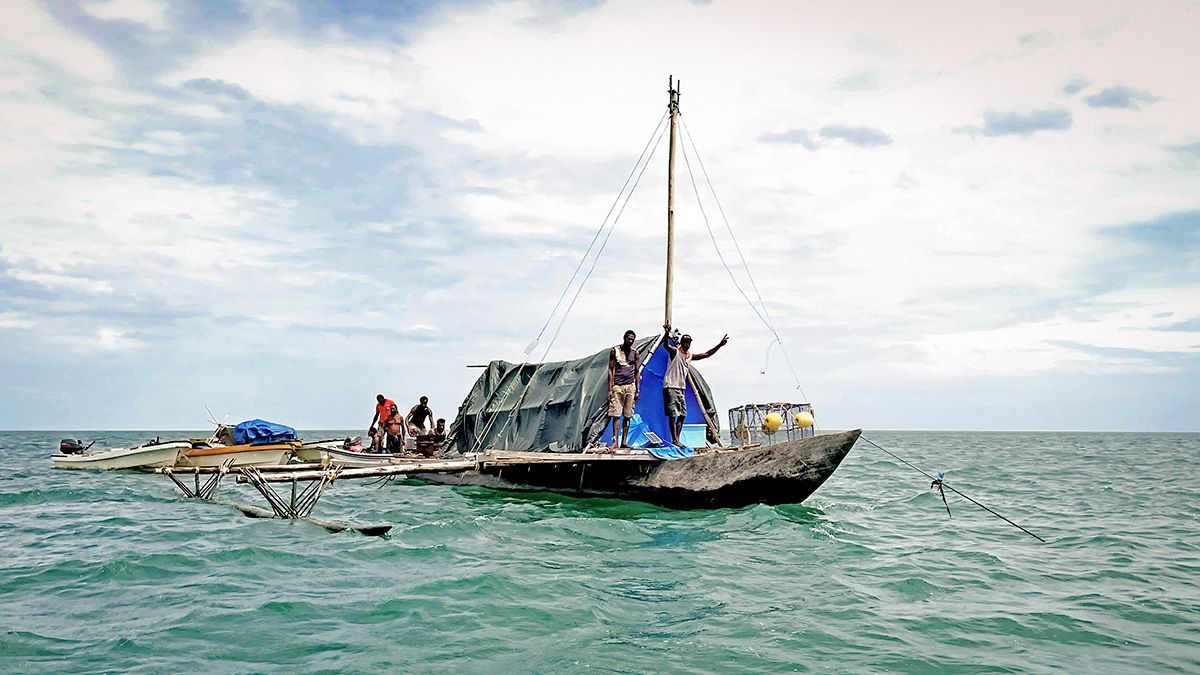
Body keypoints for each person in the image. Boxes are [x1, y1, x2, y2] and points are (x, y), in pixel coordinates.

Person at [660, 324, 727, 447]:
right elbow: (666, 346)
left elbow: (706, 354)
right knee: (672, 414)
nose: (686, 344)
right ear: (681, 342)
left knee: (682, 414)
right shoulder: (675, 352)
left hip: (681, 388)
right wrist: (666, 333)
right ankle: (674, 440)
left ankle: (677, 439)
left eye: (688, 342)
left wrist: (719, 345)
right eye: (684, 342)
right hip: (671, 386)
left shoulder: (689, 356)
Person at [607, 329, 641, 448]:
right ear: (624, 338)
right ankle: (615, 442)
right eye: (628, 339)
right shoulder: (615, 351)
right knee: (616, 414)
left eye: (632, 339)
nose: (630, 341)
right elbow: (610, 370)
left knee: (628, 415)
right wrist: (610, 388)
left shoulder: (635, 353)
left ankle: (624, 442)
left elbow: (637, 371)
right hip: (618, 386)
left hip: (630, 386)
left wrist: (637, 389)